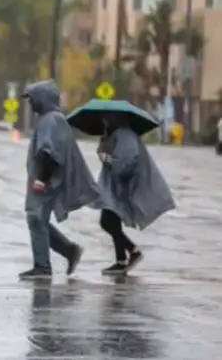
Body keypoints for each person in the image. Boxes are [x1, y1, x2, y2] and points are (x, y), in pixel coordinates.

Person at [19, 80, 99, 280]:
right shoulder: (48, 118)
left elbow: (51, 153)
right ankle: (69, 251)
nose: (30, 103)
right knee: (38, 219)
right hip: (44, 178)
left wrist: (42, 179)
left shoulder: (51, 120)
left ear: (43, 98)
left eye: (32, 99)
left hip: (46, 179)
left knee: (36, 218)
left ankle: (43, 267)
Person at [95, 114, 175, 275]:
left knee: (107, 221)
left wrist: (108, 159)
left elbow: (126, 163)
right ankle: (122, 260)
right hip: (113, 187)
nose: (104, 121)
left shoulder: (125, 134)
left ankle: (132, 251)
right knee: (111, 222)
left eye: (106, 119)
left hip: (123, 187)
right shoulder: (112, 134)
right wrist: (103, 149)